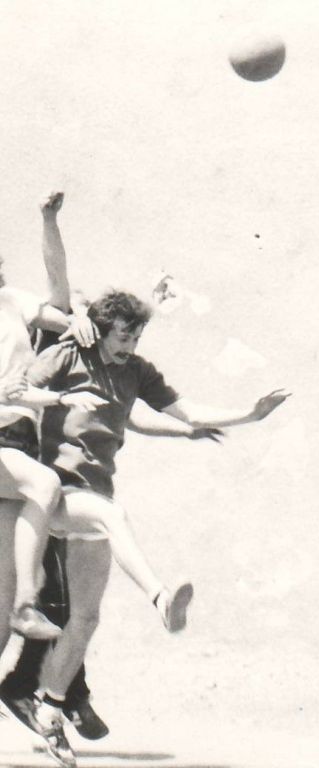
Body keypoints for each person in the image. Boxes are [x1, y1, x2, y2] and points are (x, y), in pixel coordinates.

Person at [23, 288, 288, 767]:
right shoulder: (68, 355)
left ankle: (50, 708)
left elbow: (185, 412)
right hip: (55, 490)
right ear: (102, 331)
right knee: (113, 518)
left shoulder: (136, 372)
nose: (131, 345)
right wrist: (56, 398)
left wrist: (250, 414)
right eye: (123, 336)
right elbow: (16, 389)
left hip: (95, 494)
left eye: (137, 337)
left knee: (85, 618)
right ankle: (161, 599)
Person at [0, 191, 100, 654]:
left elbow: (59, 296)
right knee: (45, 484)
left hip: (18, 445)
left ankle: (16, 606)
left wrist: (48, 221)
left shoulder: (11, 302)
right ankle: (27, 603)